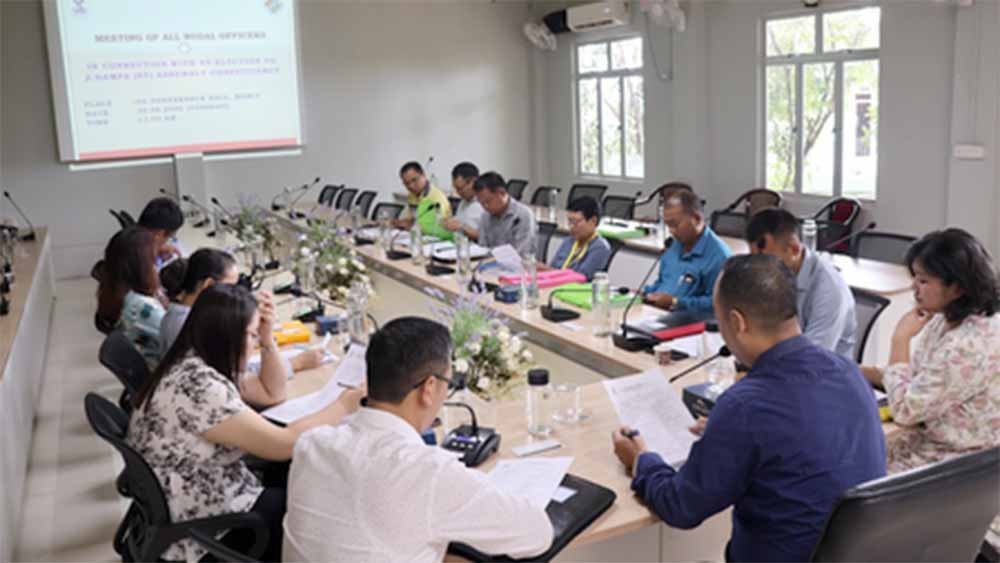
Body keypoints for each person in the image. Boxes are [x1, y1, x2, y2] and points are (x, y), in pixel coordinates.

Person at [613, 254, 886, 562]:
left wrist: (641, 460)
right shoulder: (848, 372)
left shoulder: (745, 406)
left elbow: (681, 507)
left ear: (737, 322)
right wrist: (727, 433)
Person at [283, 317, 554, 562]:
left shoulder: (311, 444)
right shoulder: (428, 473)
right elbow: (538, 535)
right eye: (449, 383)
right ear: (429, 388)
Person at [127, 284, 364, 562]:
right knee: (305, 500)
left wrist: (267, 338)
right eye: (251, 335)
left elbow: (272, 392)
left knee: (290, 475)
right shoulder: (200, 387)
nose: (254, 344)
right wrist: (345, 404)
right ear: (227, 334)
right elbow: (284, 444)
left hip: (189, 499)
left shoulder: (194, 360)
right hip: (198, 528)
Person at [860, 229, 999, 553]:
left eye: (923, 280)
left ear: (957, 286)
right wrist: (855, 371)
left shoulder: (969, 343)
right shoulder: (948, 318)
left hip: (962, 463)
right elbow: (919, 379)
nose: (914, 287)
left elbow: (906, 409)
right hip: (936, 439)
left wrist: (900, 339)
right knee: (854, 455)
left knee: (856, 488)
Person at [159, 248, 326, 372]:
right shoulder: (189, 327)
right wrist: (296, 363)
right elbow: (237, 378)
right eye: (231, 287)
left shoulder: (183, 312)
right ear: (209, 285)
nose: (235, 293)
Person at [746, 208, 857, 358]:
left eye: (768, 260)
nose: (761, 268)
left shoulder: (829, 291)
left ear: (794, 249)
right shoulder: (779, 275)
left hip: (821, 369)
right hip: (785, 362)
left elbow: (811, 359)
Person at [642, 190, 731, 319]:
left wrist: (676, 302)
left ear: (697, 219)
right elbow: (663, 282)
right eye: (668, 225)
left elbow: (718, 304)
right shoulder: (674, 245)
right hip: (658, 314)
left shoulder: (719, 256)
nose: (671, 231)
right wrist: (647, 293)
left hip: (690, 323)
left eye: (675, 225)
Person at [95, 226, 166, 365]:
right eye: (153, 259)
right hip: (161, 368)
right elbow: (177, 338)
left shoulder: (113, 287)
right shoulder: (143, 307)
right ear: (142, 266)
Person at [538, 196, 612, 280]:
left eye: (576, 222)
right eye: (569, 221)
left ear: (593, 221)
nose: (571, 227)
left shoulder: (600, 247)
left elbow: (580, 278)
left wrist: (546, 270)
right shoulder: (569, 241)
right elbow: (553, 267)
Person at [474, 171, 538, 257]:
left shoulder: (523, 215)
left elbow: (522, 253)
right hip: (491, 263)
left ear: (502, 193)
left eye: (488, 201)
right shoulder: (485, 216)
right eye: (481, 203)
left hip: (518, 264)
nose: (485, 206)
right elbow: (482, 248)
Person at [391, 161, 453, 240]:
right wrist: (399, 222)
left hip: (437, 240)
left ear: (423, 175)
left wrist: (411, 225)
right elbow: (410, 219)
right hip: (418, 237)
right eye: (406, 183)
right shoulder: (412, 195)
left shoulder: (436, 198)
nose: (411, 186)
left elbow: (436, 228)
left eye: (414, 180)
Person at [137, 197, 185, 269]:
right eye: (169, 237)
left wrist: (157, 253)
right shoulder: (142, 260)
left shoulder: (132, 241)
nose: (165, 243)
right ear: (159, 234)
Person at [441, 161, 485, 239]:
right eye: (456, 188)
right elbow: (459, 222)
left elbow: (488, 237)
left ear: (473, 182)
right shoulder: (464, 201)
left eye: (460, 189)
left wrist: (462, 228)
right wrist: (449, 222)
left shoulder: (486, 203)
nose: (458, 193)